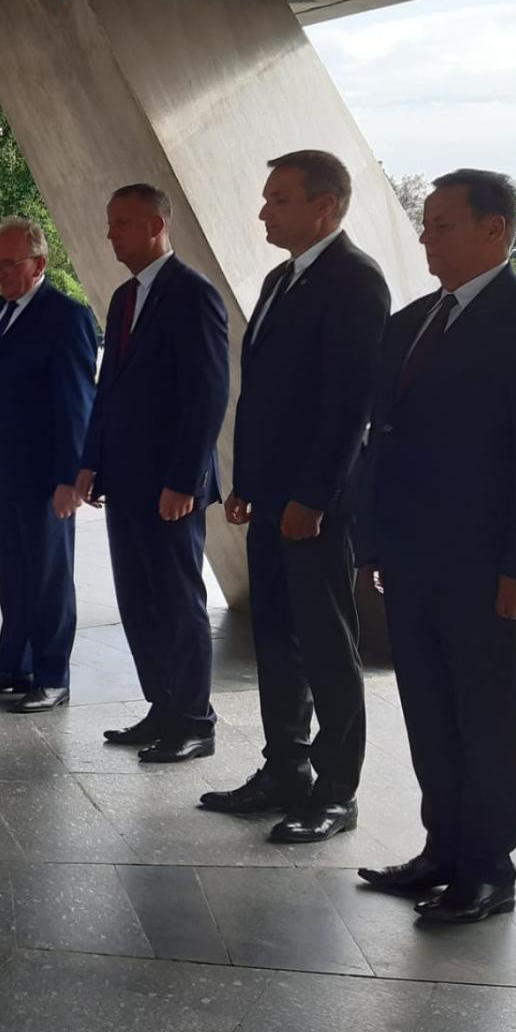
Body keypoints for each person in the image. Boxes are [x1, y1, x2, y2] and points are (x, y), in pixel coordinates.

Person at [356, 170, 516, 925]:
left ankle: (488, 870)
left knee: (486, 718)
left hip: (489, 570)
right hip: (414, 561)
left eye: (443, 223)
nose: (426, 235)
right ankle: (442, 850)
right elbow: (384, 445)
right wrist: (376, 545)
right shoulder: (411, 321)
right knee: (429, 710)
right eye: (425, 223)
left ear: (497, 230)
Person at [205, 151, 390, 843]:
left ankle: (336, 792)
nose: (263, 211)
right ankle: (286, 771)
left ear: (326, 206)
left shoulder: (355, 281)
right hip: (273, 500)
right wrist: (248, 482)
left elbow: (348, 404)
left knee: (326, 647)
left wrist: (312, 496)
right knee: (277, 640)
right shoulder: (283, 278)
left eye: (278, 199)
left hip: (315, 507)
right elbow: (264, 396)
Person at [58, 184, 228, 763]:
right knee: (139, 599)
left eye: (121, 224)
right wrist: (89, 463)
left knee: (177, 600)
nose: (110, 235)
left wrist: (184, 480)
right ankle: (163, 707)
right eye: (110, 224)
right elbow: (109, 390)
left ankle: (195, 722)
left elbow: (207, 393)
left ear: (156, 224)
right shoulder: (126, 297)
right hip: (125, 480)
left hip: (169, 487)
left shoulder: (193, 293)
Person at [0, 217, 97, 713]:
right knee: (11, 572)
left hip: (44, 478)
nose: (0, 274)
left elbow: (76, 405)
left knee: (49, 577)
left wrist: (69, 479)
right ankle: (13, 667)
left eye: (10, 264)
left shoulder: (68, 318)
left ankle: (53, 675)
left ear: (39, 264)